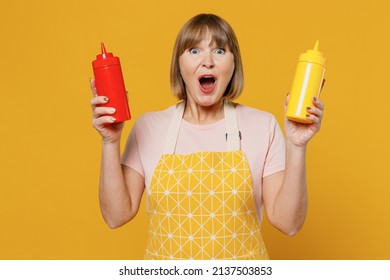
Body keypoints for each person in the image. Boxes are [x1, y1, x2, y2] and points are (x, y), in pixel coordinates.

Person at [90, 13, 324, 260]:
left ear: (234, 65)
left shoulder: (262, 125)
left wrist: (296, 146)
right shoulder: (148, 128)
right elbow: (116, 216)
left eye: (220, 51)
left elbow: (289, 224)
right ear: (179, 65)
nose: (208, 62)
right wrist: (110, 142)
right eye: (194, 51)